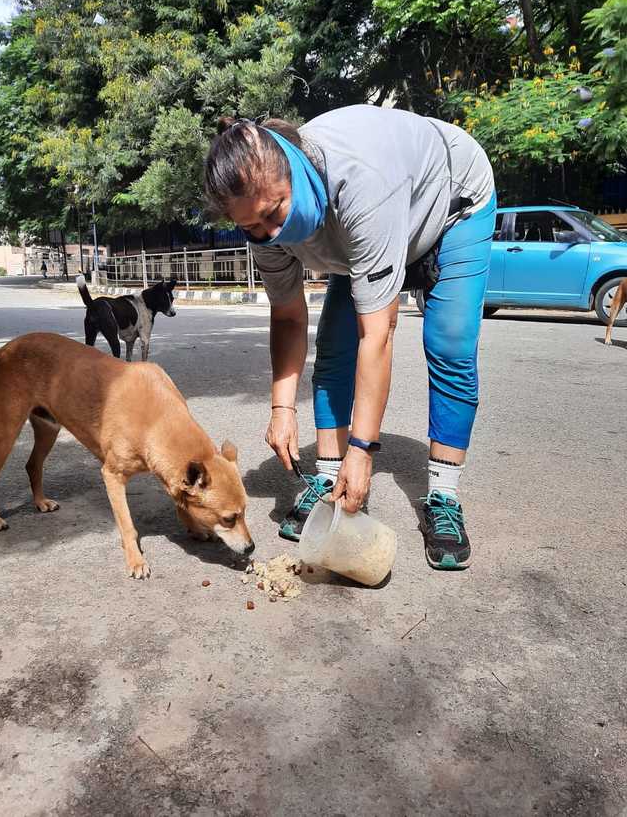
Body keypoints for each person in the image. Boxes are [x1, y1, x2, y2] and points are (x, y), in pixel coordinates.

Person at [204, 105, 495, 570]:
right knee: (334, 348)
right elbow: (288, 317)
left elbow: (377, 334)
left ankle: (443, 494)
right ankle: (327, 475)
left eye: (274, 212)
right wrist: (281, 409)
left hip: (451, 203)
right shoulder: (268, 229)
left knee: (450, 343)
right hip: (353, 232)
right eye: (251, 227)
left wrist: (364, 450)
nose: (270, 233)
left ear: (294, 168)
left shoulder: (361, 185)